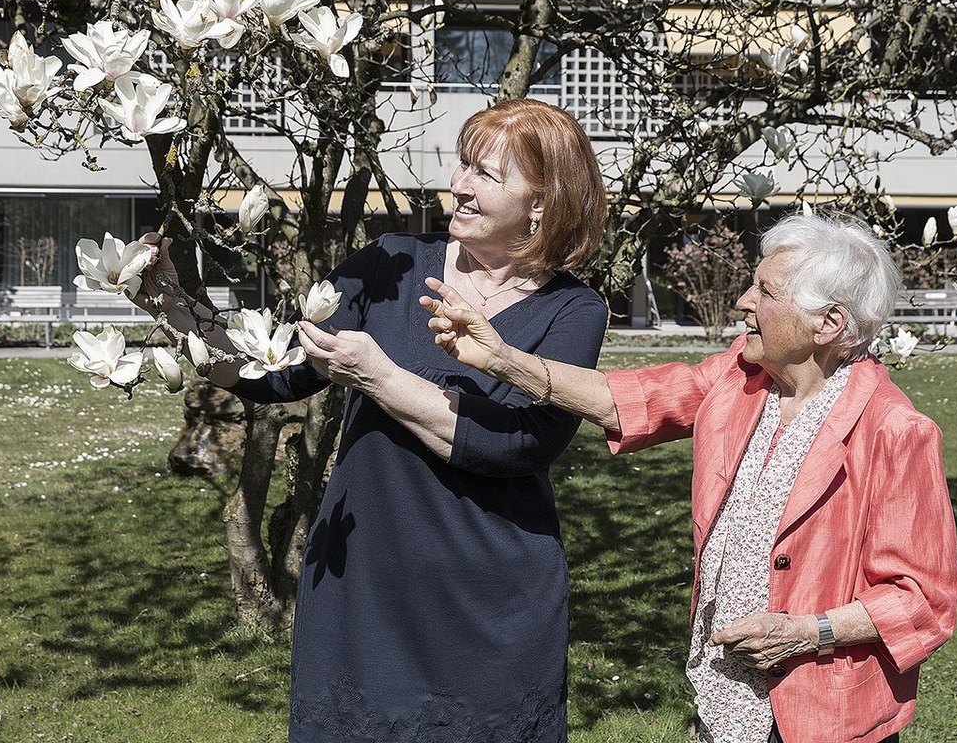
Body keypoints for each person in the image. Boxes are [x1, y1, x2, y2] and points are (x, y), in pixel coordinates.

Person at [133, 98, 609, 742]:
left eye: (485, 174)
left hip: (487, 599)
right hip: (364, 589)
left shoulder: (573, 310)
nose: (459, 186)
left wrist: (379, 375)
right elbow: (276, 373)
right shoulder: (391, 265)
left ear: (542, 203)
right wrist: (177, 309)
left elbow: (518, 445)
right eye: (462, 165)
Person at [422, 213, 957, 743]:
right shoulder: (741, 377)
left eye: (766, 293)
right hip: (725, 696)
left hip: (823, 711)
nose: (744, 303)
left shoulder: (894, 431)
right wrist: (502, 359)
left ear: (828, 324)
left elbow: (923, 599)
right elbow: (628, 400)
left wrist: (808, 634)